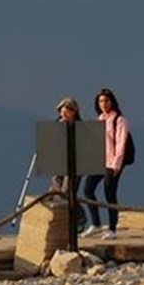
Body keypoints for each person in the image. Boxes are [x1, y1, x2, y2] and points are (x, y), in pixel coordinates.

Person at [83, 88, 129, 240]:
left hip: (113, 163)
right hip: (99, 161)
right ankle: (95, 223)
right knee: (88, 189)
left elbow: (121, 143)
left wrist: (116, 164)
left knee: (110, 194)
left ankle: (112, 228)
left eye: (106, 100)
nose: (104, 103)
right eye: (101, 101)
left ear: (112, 101)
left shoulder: (119, 120)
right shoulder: (100, 119)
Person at [51, 96, 88, 231]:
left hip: (75, 166)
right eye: (61, 111)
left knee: (67, 192)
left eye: (67, 111)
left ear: (74, 112)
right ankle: (64, 223)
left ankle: (79, 218)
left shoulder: (81, 128)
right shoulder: (56, 126)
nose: (63, 114)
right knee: (57, 193)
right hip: (57, 163)